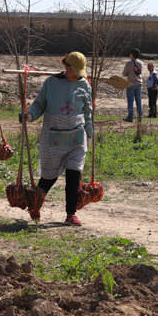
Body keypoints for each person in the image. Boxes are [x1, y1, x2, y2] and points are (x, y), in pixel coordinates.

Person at [19, 52, 93, 226]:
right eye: (73, 70)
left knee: (74, 175)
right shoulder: (51, 84)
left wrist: (89, 131)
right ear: (66, 67)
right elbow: (39, 105)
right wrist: (29, 116)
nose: (76, 75)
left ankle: (70, 214)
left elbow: (88, 111)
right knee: (49, 177)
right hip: (54, 137)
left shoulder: (84, 85)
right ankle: (35, 204)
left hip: (77, 137)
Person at [121, 48, 143, 122]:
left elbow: (124, 74)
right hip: (139, 83)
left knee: (130, 101)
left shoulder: (128, 63)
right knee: (138, 101)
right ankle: (140, 117)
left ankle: (130, 117)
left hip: (130, 83)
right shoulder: (140, 63)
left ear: (132, 55)